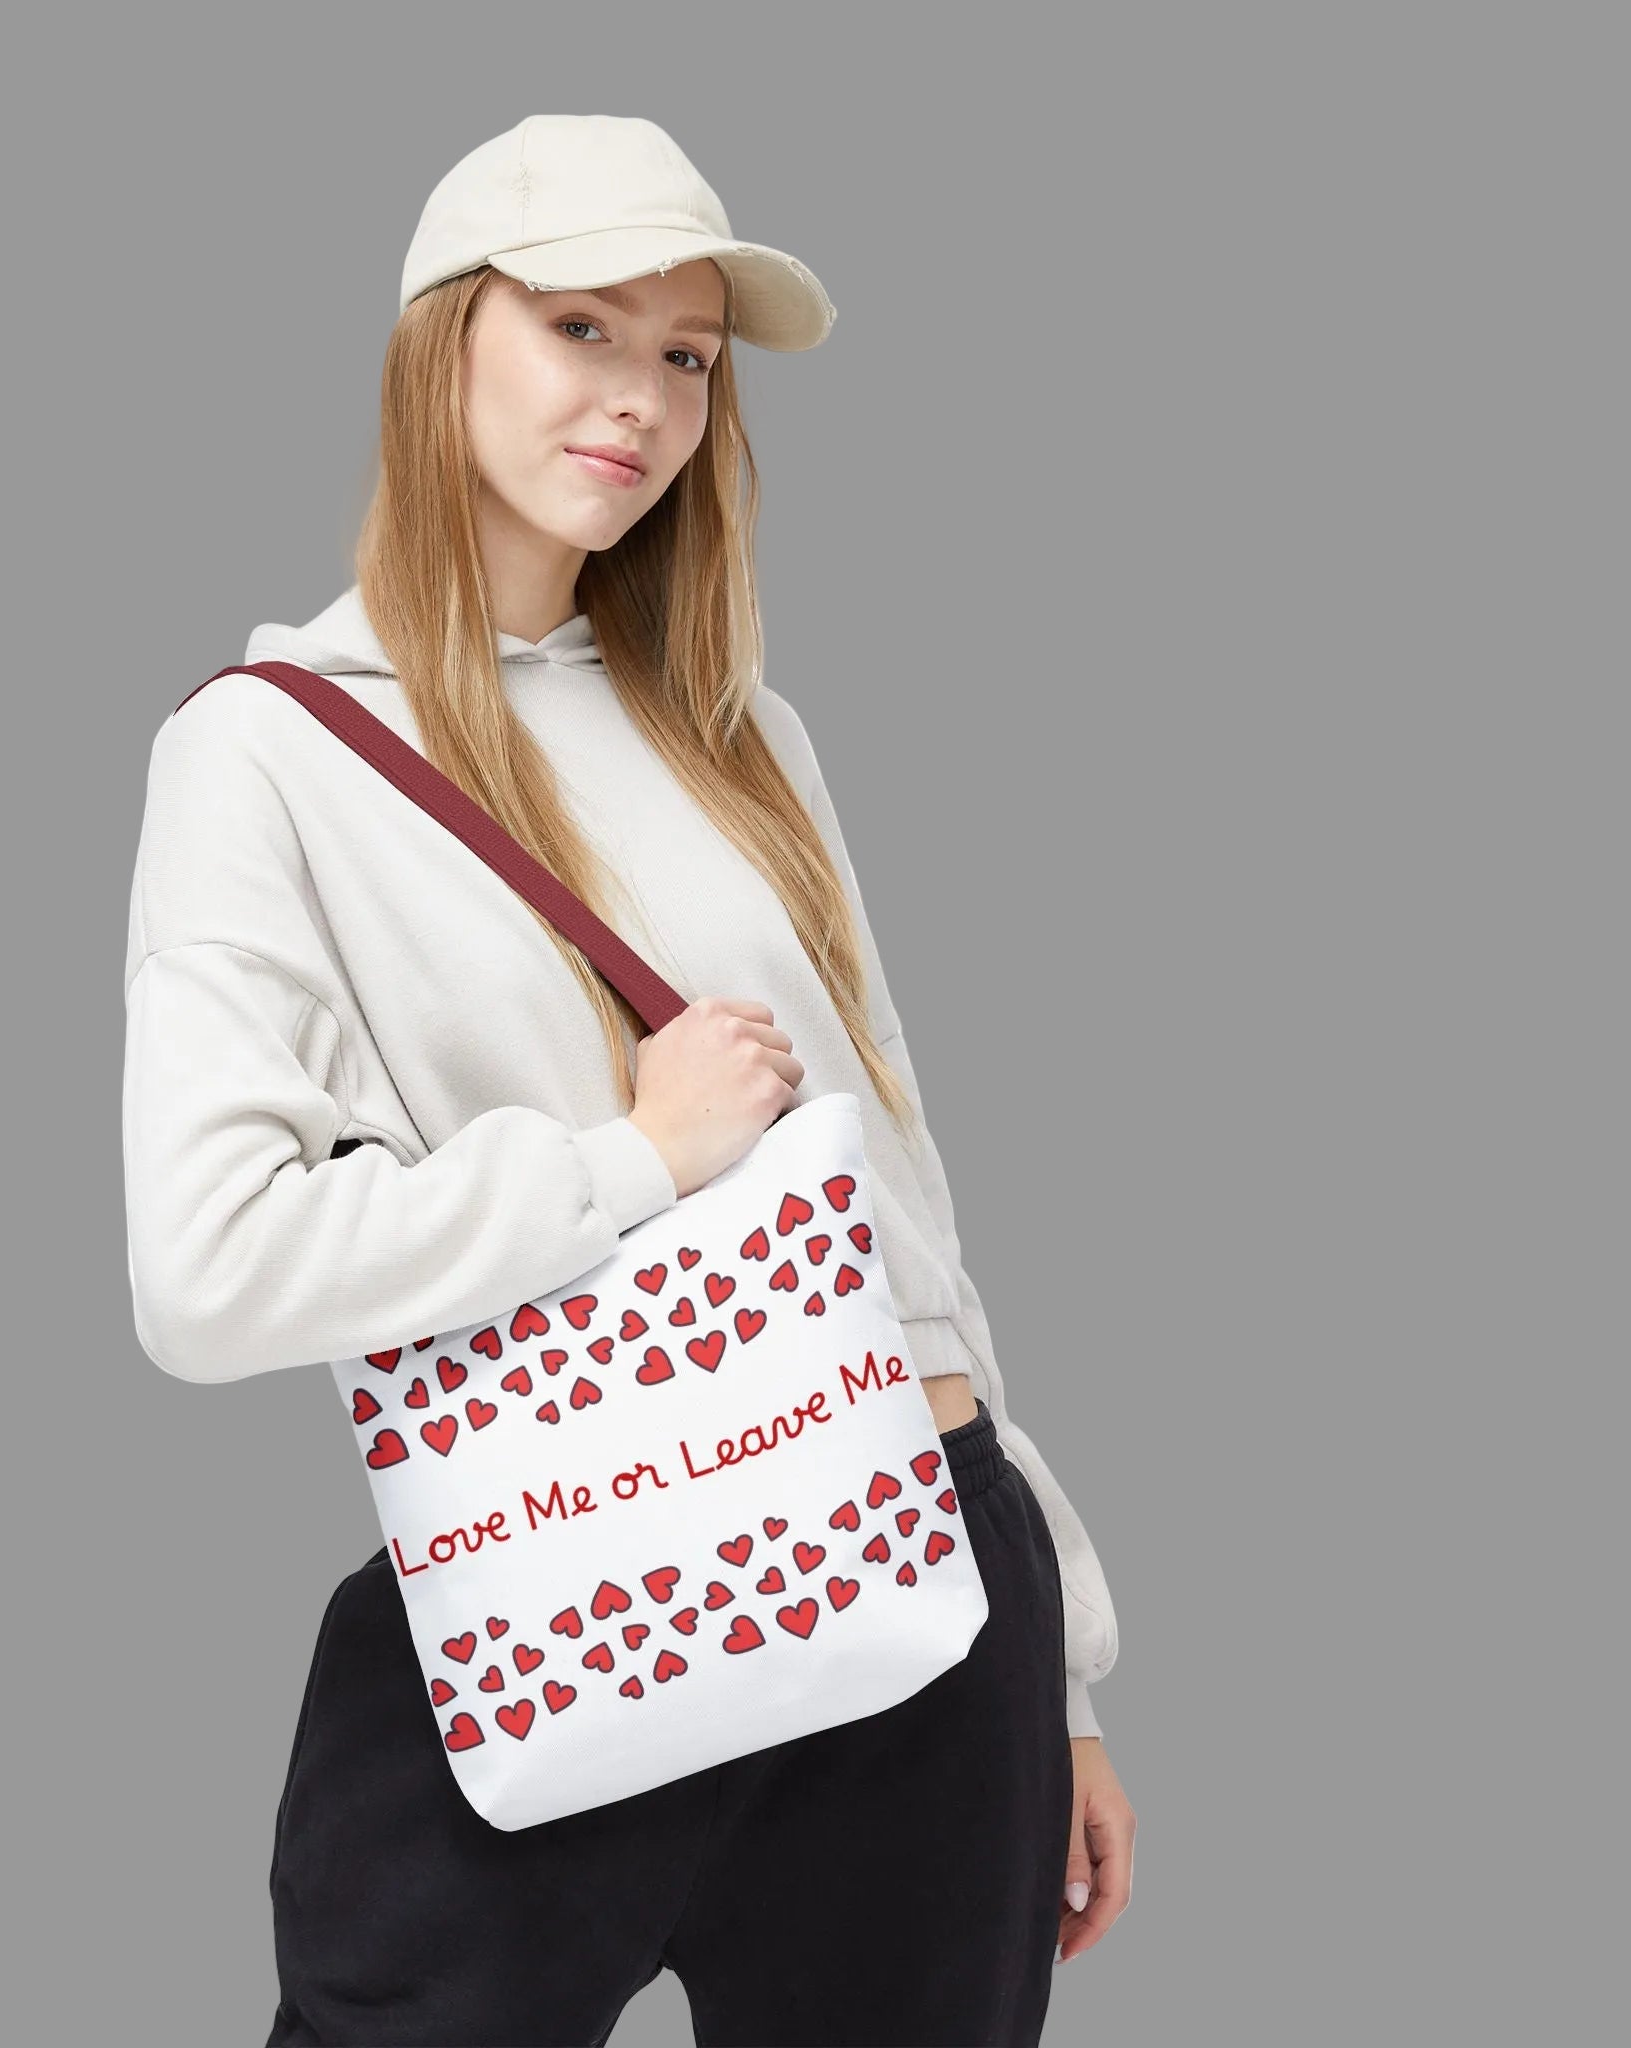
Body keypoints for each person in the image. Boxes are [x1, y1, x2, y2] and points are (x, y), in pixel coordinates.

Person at [122, 113, 1134, 2047]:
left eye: (686, 356)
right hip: (566, 1585)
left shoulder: (743, 736)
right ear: (443, 342)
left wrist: (1064, 1673)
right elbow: (209, 1267)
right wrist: (634, 1162)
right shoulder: (271, 752)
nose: (644, 401)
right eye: (581, 326)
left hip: (922, 1585)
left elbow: (898, 1211)